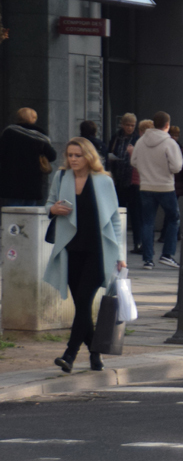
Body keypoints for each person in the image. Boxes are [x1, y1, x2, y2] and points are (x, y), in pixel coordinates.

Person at [42, 137, 126, 373]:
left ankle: (69, 355)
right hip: (70, 251)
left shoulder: (103, 181)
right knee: (81, 306)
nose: (73, 159)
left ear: (88, 156)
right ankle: (95, 354)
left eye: (78, 155)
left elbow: (114, 220)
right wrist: (53, 209)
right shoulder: (61, 177)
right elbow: (48, 204)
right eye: (69, 155)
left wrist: (120, 254)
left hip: (97, 252)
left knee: (85, 301)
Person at [130, 111, 183, 269]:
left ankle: (148, 259)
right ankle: (167, 254)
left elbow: (133, 161)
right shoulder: (169, 143)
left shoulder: (141, 141)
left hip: (146, 186)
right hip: (165, 186)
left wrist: (146, 171)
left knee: (147, 223)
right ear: (167, 125)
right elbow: (177, 167)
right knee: (173, 219)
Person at [0, 108, 57, 207]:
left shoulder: (9, 132)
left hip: (12, 180)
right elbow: (52, 156)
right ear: (33, 118)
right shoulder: (40, 136)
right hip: (32, 181)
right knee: (30, 214)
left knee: (12, 213)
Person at [106, 114, 139, 250]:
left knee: (135, 213)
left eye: (132, 125)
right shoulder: (116, 138)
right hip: (118, 179)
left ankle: (138, 242)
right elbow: (109, 152)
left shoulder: (137, 139)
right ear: (122, 124)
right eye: (127, 125)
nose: (130, 128)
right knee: (118, 211)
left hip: (132, 180)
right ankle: (118, 241)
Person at [170, 125, 183, 198]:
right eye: (173, 135)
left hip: (174, 180)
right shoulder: (182, 149)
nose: (174, 137)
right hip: (177, 181)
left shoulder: (181, 150)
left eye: (176, 136)